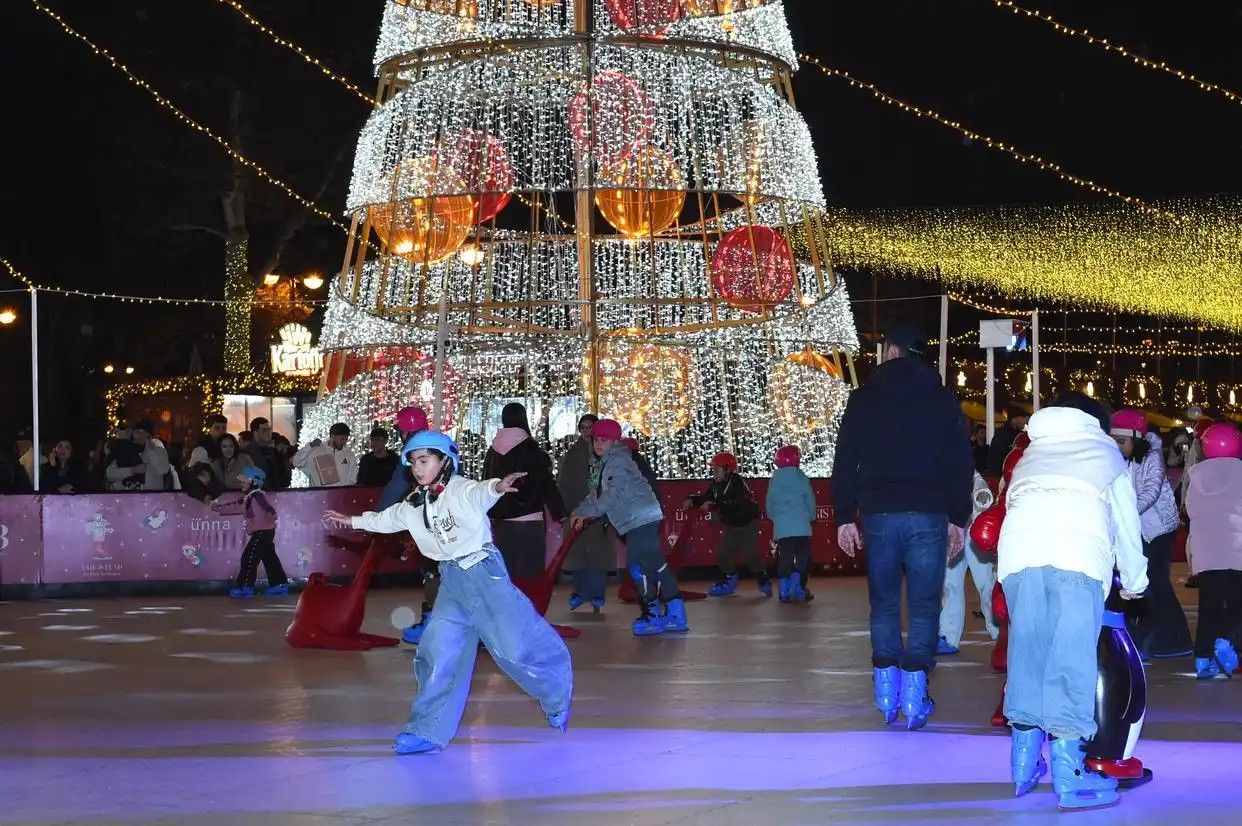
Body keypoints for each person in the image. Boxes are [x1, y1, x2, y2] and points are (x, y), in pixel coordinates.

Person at [323, 430, 573, 755]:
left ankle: (556, 695)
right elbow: (387, 519)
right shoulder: (415, 502)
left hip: (483, 574)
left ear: (445, 462)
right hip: (451, 581)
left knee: (514, 647)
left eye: (424, 460)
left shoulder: (459, 489)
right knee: (437, 654)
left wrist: (497, 487)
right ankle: (427, 730)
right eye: (414, 462)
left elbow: (480, 493)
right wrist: (352, 521)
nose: (417, 468)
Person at [997, 392, 1148, 811]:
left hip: (1019, 556)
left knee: (1028, 652)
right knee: (1070, 657)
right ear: (1096, 423)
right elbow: (1126, 522)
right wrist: (1135, 581)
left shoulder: (1033, 452)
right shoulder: (1105, 455)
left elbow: (1012, 504)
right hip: (1076, 557)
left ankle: (1023, 762)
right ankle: (1070, 773)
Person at [832, 319, 973, 731]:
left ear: (891, 350)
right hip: (928, 512)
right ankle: (914, 695)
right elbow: (959, 462)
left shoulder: (864, 398)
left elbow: (846, 459)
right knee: (925, 604)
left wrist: (845, 516)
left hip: (879, 513)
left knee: (884, 602)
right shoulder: (942, 398)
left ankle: (886, 694)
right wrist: (958, 517)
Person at [571, 418, 687, 636]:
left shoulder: (618, 461)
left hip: (641, 518)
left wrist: (590, 513)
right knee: (652, 565)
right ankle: (672, 612)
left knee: (641, 567)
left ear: (615, 442)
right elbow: (595, 495)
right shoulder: (601, 463)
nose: (599, 444)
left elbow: (612, 495)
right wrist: (579, 511)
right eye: (596, 439)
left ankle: (656, 613)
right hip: (635, 519)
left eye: (604, 440)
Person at [1110, 409, 1192, 660]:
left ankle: (1171, 640)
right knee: (1143, 583)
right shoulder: (1117, 459)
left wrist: (1125, 513)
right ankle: (1156, 639)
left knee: (1155, 583)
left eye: (1122, 441)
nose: (1117, 446)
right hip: (1137, 528)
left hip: (1158, 529)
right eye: (1114, 441)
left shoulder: (1151, 457)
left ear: (1137, 439)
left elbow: (1151, 490)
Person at [1183, 421, 1242, 679]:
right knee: (1237, 605)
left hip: (1207, 551)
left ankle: (1202, 658)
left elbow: (1191, 511)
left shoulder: (1196, 476)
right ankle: (1226, 643)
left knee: (1209, 606)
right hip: (1237, 549)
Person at [482, 403, 566, 578]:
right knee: (530, 575)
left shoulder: (492, 451)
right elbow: (545, 482)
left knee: (505, 574)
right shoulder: (530, 449)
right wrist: (559, 511)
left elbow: (486, 482)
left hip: (501, 521)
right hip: (529, 518)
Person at [686, 452, 771, 597]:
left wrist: (714, 504)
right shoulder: (716, 484)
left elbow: (736, 503)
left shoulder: (737, 483)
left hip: (747, 524)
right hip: (731, 525)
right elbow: (707, 497)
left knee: (750, 555)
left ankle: (762, 577)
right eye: (713, 470)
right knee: (723, 555)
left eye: (717, 469)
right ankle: (730, 580)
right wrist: (693, 500)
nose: (714, 473)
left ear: (728, 470)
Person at [937, 471, 999, 654]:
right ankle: (948, 635)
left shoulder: (960, 464)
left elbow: (977, 481)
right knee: (949, 586)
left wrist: (981, 495)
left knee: (987, 583)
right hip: (949, 534)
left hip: (974, 531)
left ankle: (998, 630)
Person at [559, 413, 613, 612]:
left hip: (599, 513)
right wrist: (567, 509)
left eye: (590, 427)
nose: (587, 432)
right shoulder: (572, 454)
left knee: (598, 555)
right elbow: (565, 482)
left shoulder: (606, 452)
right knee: (578, 553)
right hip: (577, 510)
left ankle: (597, 595)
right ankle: (580, 593)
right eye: (583, 428)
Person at [224, 466, 289, 598]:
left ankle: (246, 586)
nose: (241, 484)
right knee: (269, 557)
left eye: (244, 481)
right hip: (265, 532)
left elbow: (269, 510)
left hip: (262, 532)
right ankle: (279, 584)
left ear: (254, 482)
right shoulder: (251, 497)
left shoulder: (257, 496)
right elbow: (236, 506)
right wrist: (216, 507)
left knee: (249, 557)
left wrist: (271, 515)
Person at [766, 444, 816, 602]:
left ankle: (783, 590)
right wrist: (810, 517)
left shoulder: (774, 481)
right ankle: (797, 588)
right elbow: (810, 501)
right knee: (802, 557)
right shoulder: (802, 478)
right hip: (802, 527)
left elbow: (770, 505)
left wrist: (776, 518)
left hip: (783, 529)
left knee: (785, 558)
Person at [106, 420, 174, 491]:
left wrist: (150, 451)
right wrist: (132, 470)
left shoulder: (159, 451)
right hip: (126, 495)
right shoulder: (124, 450)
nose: (140, 435)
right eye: (138, 431)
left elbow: (163, 470)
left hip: (151, 495)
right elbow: (110, 474)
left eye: (144, 432)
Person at [293, 422, 358, 488]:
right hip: (319, 493)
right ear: (332, 436)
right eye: (342, 439)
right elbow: (296, 462)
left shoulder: (349, 454)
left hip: (341, 493)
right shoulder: (316, 450)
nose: (344, 442)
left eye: (346, 439)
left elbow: (354, 478)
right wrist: (309, 446)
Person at [241, 418, 290, 491]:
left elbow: (284, 477)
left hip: (274, 491)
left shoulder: (274, 452)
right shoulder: (246, 453)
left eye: (269, 429)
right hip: (255, 492)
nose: (268, 433)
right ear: (255, 432)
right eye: (264, 430)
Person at [987, 403, 1030, 477]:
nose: (1025, 421)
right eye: (1022, 417)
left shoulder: (1019, 434)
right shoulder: (1002, 435)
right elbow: (996, 458)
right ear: (1014, 418)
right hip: (1001, 475)